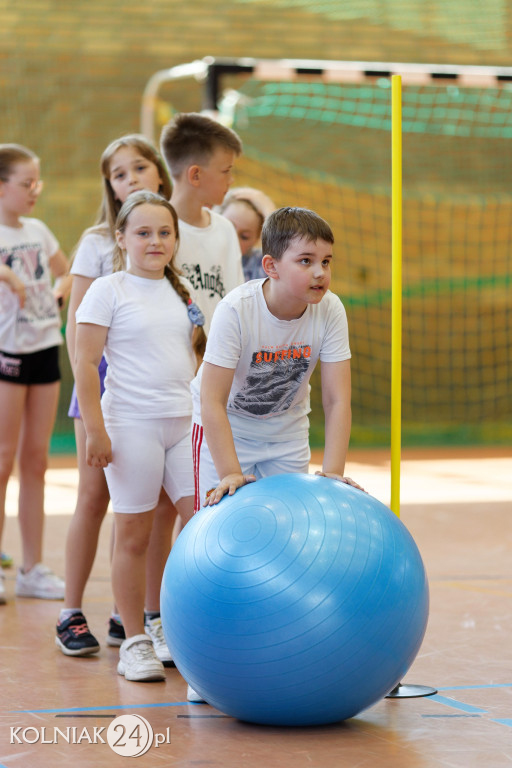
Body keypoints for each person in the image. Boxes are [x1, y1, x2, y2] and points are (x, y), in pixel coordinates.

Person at [74, 191, 205, 682]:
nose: (155, 241)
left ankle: (167, 625)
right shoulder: (108, 290)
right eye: (144, 232)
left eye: (165, 232)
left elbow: (193, 354)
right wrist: (95, 431)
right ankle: (133, 641)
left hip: (182, 424)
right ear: (122, 238)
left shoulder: (182, 290)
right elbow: (85, 364)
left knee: (197, 523)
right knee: (134, 533)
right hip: (131, 424)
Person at [56, 135, 177, 661]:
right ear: (109, 184)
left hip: (161, 393)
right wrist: (94, 399)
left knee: (153, 507)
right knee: (95, 495)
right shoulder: (98, 243)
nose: (130, 179)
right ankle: (70, 609)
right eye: (119, 173)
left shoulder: (169, 244)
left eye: (139, 168)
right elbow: (76, 328)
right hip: (108, 387)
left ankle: (133, 616)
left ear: (159, 174)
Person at [192, 206, 363, 508]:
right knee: (223, 521)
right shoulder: (236, 311)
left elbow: (337, 400)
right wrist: (231, 472)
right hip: (229, 429)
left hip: (287, 434)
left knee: (287, 524)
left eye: (326, 261)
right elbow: (212, 401)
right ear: (271, 267)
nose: (320, 272)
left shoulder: (331, 309)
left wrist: (334, 472)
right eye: (305, 261)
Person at [0, 143, 70, 605]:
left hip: (46, 348)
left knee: (37, 461)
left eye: (37, 183)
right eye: (27, 184)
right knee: (3, 459)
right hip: (8, 354)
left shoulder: (39, 230)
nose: (34, 192)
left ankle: (31, 567)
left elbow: (66, 272)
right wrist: (11, 278)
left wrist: (60, 291)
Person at [160, 112, 244, 333]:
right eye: (226, 171)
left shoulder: (225, 229)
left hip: (221, 363)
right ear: (195, 175)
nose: (231, 180)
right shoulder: (155, 235)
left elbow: (238, 309)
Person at [219, 187, 275, 281]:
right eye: (229, 227)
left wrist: (267, 209)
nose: (233, 238)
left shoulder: (258, 264)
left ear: (256, 239)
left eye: (244, 237)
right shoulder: (199, 245)